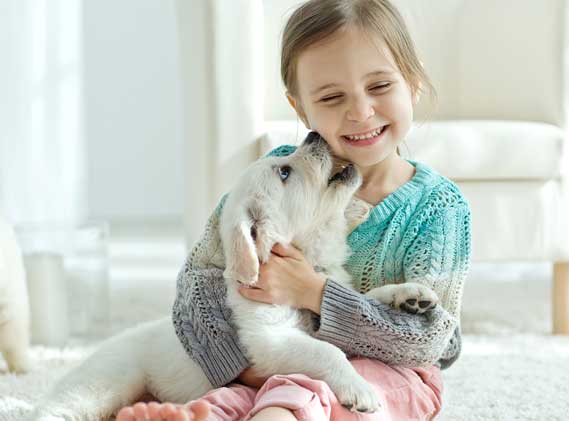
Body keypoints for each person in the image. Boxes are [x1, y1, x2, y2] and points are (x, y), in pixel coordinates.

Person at [116, 0, 470, 420]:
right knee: (244, 396)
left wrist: (314, 293)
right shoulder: (269, 182)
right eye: (332, 96)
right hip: (276, 364)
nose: (360, 111)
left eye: (379, 87)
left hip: (391, 376)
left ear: (412, 83)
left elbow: (433, 340)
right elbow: (196, 288)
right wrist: (242, 369)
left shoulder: (437, 209)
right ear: (300, 108)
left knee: (326, 393)